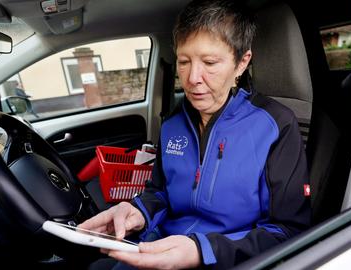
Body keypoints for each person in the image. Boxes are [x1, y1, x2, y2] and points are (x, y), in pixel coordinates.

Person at [80, 0, 311, 268]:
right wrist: (136, 211)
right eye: (184, 62)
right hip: (157, 247)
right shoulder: (173, 122)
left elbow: (289, 232)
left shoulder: (275, 125)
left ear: (241, 63)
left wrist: (202, 251)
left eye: (210, 62)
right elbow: (160, 192)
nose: (193, 78)